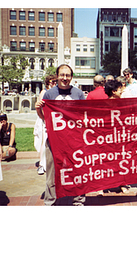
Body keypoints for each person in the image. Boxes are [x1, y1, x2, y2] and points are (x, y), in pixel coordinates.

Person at [35, 64, 86, 206]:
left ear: (71, 77)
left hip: (74, 140)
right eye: (62, 75)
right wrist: (38, 109)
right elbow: (44, 117)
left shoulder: (78, 94)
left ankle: (78, 200)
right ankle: (50, 201)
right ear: (57, 76)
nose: (65, 78)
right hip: (54, 140)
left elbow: (84, 115)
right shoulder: (49, 94)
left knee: (77, 170)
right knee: (51, 173)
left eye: (68, 75)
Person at [104, 80, 129, 193]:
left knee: (121, 161)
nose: (122, 91)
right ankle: (103, 185)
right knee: (105, 162)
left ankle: (122, 184)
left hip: (120, 138)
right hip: (106, 139)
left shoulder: (124, 104)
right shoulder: (102, 106)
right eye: (120, 90)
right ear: (114, 92)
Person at [34, 74, 57, 175]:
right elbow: (41, 107)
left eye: (55, 81)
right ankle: (42, 165)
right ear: (48, 82)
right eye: (52, 82)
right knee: (44, 141)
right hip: (44, 120)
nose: (54, 83)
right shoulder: (44, 92)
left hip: (52, 120)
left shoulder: (54, 92)